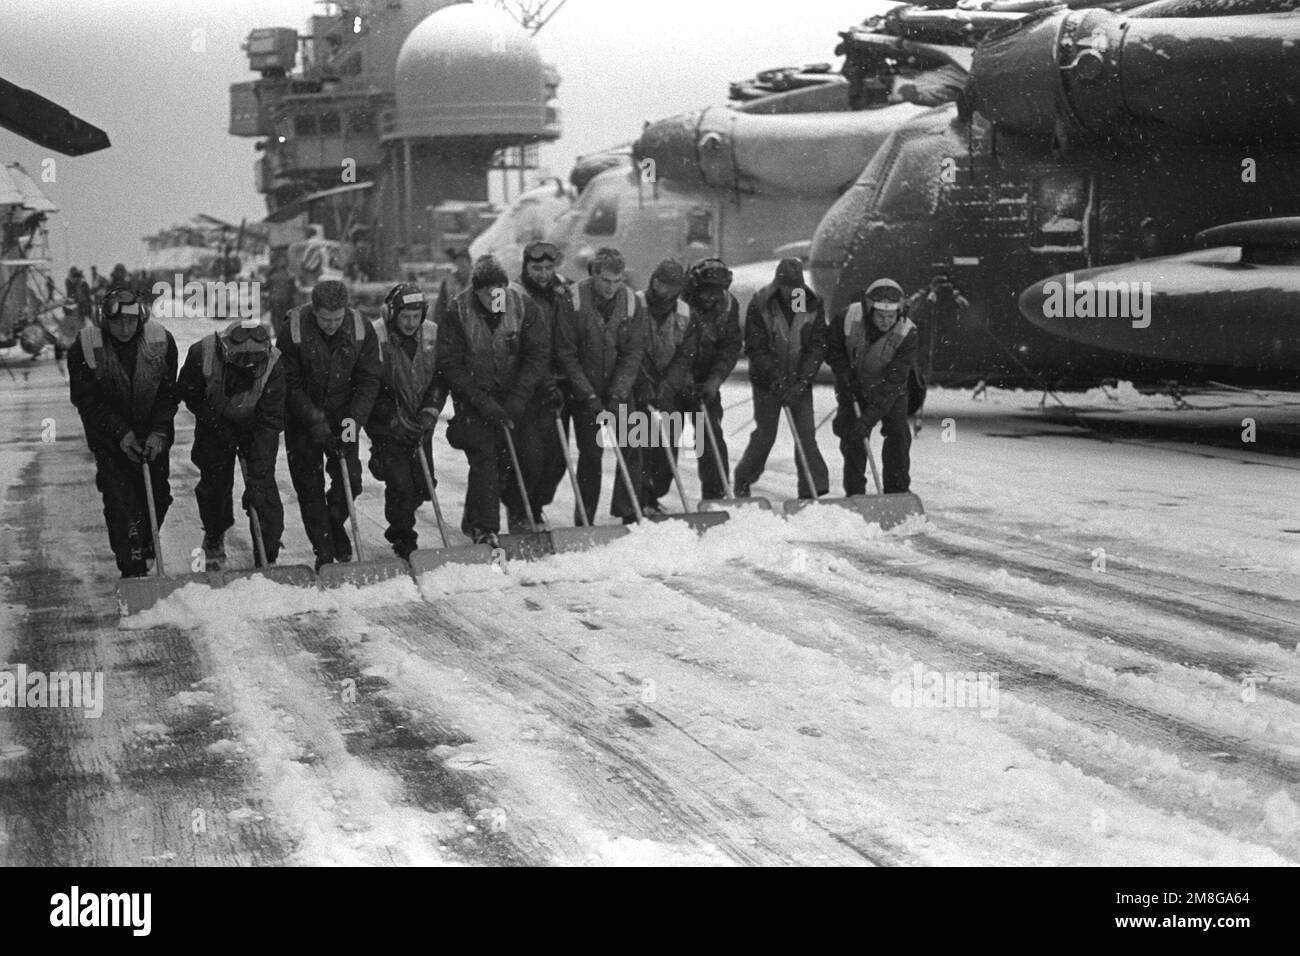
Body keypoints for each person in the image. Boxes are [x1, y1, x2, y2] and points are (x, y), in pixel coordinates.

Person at [436, 255, 549, 545]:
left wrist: (519, 396)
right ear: (477, 291)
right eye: (489, 293)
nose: (496, 298)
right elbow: (451, 363)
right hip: (474, 400)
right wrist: (480, 400)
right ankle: (485, 527)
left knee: (532, 456)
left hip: (515, 396)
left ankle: (516, 510)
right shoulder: (457, 310)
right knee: (485, 458)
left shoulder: (523, 306)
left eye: (500, 290)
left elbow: (536, 354)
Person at [67, 286, 179, 577]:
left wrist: (159, 432)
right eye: (117, 322)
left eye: (130, 321)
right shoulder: (85, 346)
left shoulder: (161, 340)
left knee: (158, 496)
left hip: (153, 435)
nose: (125, 328)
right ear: (106, 320)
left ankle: (145, 545)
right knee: (121, 505)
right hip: (110, 439)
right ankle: (132, 569)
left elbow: (168, 395)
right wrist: (121, 433)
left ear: (140, 317)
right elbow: (86, 400)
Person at [279, 279, 381, 571]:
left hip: (344, 415)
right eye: (325, 319)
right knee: (309, 486)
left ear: (346, 311)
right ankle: (324, 551)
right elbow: (290, 383)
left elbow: (368, 381)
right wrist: (317, 425)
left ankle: (335, 524)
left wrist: (350, 427)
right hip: (302, 418)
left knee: (351, 480)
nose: (332, 325)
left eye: (337, 319)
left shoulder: (362, 328)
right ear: (314, 310)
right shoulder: (294, 328)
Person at [177, 318, 286, 569]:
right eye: (240, 358)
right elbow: (190, 393)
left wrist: (258, 474)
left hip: (256, 426)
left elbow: (271, 421)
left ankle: (267, 550)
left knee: (263, 487)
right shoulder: (201, 353)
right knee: (214, 484)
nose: (248, 364)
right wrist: (216, 424)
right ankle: (214, 534)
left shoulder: (275, 363)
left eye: (254, 359)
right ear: (225, 350)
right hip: (214, 423)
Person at [554, 247, 648, 524]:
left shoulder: (632, 302)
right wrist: (588, 394)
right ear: (594, 274)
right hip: (585, 391)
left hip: (619, 389)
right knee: (591, 455)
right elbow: (566, 352)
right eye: (605, 281)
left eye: (617, 281)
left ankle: (629, 511)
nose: (611, 288)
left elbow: (633, 352)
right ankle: (585, 518)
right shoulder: (573, 300)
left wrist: (619, 392)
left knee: (632, 445)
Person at [734, 258, 829, 499]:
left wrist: (802, 381)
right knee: (766, 435)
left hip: (799, 381)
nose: (790, 293)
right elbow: (756, 347)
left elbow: (816, 346)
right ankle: (743, 479)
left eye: (795, 287)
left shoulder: (808, 303)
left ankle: (812, 490)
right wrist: (775, 378)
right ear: (778, 284)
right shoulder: (762, 303)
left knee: (806, 434)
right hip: (768, 383)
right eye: (786, 287)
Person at [364, 283, 445, 560]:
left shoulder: (432, 333)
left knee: (423, 485)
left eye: (416, 316)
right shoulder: (376, 335)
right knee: (401, 485)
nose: (411, 323)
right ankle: (403, 538)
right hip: (386, 424)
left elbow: (439, 378)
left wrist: (430, 411)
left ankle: (404, 503)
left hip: (420, 422)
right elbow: (368, 383)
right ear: (392, 314)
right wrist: (390, 416)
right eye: (404, 317)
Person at [827, 278, 919, 495]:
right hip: (854, 387)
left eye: (891, 316)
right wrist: (844, 374)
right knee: (853, 437)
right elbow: (832, 348)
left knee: (898, 434)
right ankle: (855, 492)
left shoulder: (908, 333)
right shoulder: (848, 317)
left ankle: (896, 492)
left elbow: (896, 381)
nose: (886, 321)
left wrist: (868, 419)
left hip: (889, 390)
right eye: (880, 316)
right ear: (869, 310)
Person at [508, 240, 572, 530]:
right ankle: (520, 510)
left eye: (548, 268)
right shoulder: (514, 295)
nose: (544, 274)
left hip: (556, 387)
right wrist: (539, 379)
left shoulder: (561, 292)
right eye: (537, 268)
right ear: (526, 267)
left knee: (557, 461)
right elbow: (517, 347)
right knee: (531, 457)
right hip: (526, 387)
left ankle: (535, 506)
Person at [633, 259, 699, 515]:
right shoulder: (635, 304)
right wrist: (642, 382)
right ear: (654, 281)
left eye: (674, 286)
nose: (668, 292)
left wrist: (668, 384)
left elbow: (686, 353)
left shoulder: (684, 312)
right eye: (664, 285)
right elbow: (627, 347)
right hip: (637, 384)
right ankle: (637, 499)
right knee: (639, 444)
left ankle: (655, 494)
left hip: (667, 385)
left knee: (669, 444)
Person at [681, 258, 742, 500]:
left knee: (710, 435)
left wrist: (714, 381)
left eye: (716, 292)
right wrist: (681, 378)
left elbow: (730, 346)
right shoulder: (679, 303)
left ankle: (716, 495)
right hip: (673, 379)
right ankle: (650, 495)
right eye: (706, 291)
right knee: (663, 435)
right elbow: (670, 346)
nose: (710, 298)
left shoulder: (728, 305)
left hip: (706, 380)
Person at [431, 248, 472, 327]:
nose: (461, 267)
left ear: (470, 264)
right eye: (458, 263)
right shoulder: (447, 283)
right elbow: (440, 307)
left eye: (464, 263)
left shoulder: (477, 282)